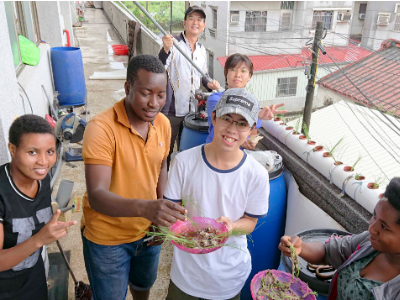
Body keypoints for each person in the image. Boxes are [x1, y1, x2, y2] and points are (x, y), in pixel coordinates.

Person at [81, 55, 187, 300]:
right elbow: (97, 195)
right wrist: (148, 208)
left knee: (142, 288)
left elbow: (161, 167)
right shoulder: (101, 128)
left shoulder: (162, 124)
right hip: (108, 240)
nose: (154, 103)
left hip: (148, 233)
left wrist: (159, 219)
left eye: (161, 95)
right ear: (128, 88)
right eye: (146, 93)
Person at [164, 88, 270, 299]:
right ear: (214, 118)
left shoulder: (256, 174)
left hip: (227, 278)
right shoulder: (183, 161)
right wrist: (176, 225)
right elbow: (170, 212)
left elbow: (250, 221)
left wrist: (231, 227)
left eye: (242, 123)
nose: (232, 129)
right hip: (186, 275)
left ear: (251, 130)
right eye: (226, 119)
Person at [279, 177, 400, 300]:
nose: (372, 229)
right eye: (374, 216)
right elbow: (329, 251)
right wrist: (302, 247)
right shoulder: (368, 242)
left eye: (384, 227)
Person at [0, 114, 77, 300]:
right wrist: (40, 239)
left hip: (34, 282)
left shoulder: (42, 179)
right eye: (32, 152)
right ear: (13, 149)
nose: (43, 162)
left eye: (50, 151)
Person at [159, 5, 220, 168]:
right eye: (191, 18)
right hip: (172, 111)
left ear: (204, 25)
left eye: (199, 19)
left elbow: (202, 76)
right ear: (185, 23)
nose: (195, 22)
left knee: (185, 154)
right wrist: (165, 49)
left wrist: (211, 84)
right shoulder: (174, 43)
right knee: (164, 153)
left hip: (192, 112)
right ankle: (159, 188)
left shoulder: (201, 50)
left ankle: (179, 185)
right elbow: (159, 67)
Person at [206, 53, 287, 150]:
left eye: (243, 71)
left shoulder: (253, 103)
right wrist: (256, 115)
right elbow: (224, 123)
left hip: (238, 156)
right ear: (225, 74)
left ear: (249, 76)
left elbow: (253, 132)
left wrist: (250, 143)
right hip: (215, 151)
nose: (237, 75)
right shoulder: (215, 99)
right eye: (232, 70)